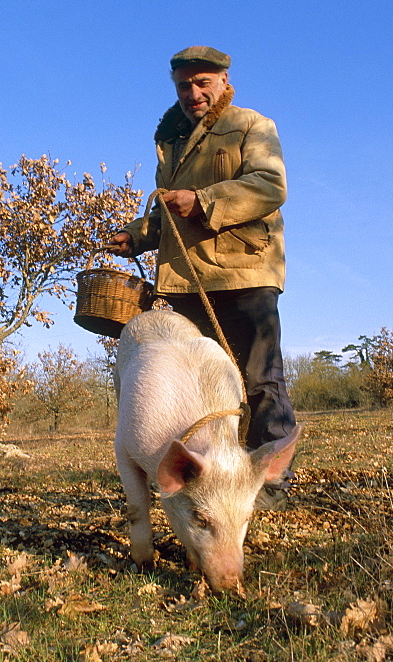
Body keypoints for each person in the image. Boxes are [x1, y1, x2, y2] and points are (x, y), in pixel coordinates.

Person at [108, 45, 297, 509]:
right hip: (188, 280)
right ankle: (216, 484)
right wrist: (135, 236)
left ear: (223, 82)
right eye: (183, 85)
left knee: (259, 380)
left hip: (244, 271)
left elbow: (270, 186)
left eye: (202, 83)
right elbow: (167, 212)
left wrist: (205, 200)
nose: (192, 92)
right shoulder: (170, 142)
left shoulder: (252, 125)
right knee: (202, 390)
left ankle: (271, 484)